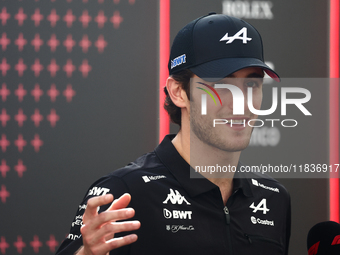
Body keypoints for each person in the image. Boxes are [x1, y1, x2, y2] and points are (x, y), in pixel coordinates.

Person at [56, 13, 291, 255]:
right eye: (222, 84)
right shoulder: (124, 192)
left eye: (252, 85)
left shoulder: (274, 199)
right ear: (178, 91)